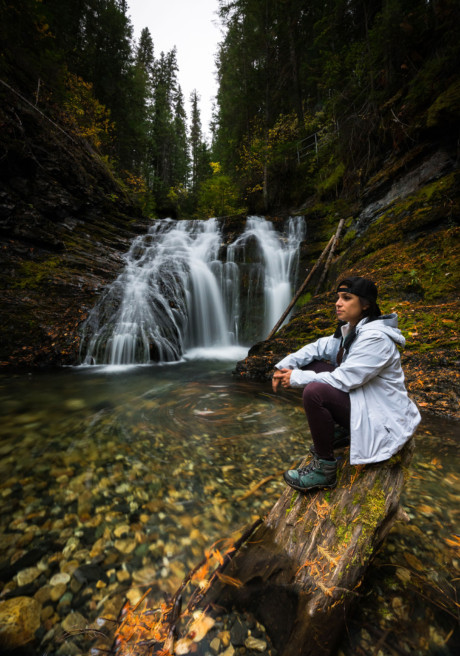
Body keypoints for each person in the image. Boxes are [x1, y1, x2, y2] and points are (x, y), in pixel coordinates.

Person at [272, 276, 421, 492]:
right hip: (366, 402)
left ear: (366, 304)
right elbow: (318, 348)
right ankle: (344, 429)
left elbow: (344, 379)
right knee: (314, 365)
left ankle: (324, 470)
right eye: (338, 297)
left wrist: (296, 378)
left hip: (382, 420)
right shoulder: (353, 329)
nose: (338, 303)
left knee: (314, 392)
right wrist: (285, 366)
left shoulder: (375, 339)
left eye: (346, 298)